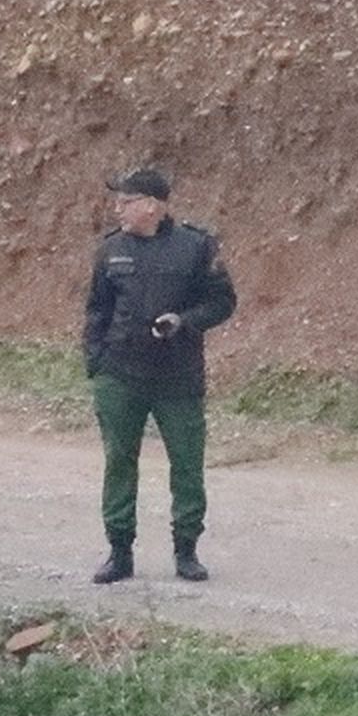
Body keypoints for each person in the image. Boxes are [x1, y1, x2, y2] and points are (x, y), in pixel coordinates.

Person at [82, 168, 236, 584]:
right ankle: (119, 553)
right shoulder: (110, 250)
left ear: (152, 205)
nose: (118, 209)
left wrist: (184, 321)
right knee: (119, 462)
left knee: (187, 464)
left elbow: (223, 302)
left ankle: (186, 551)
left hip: (178, 377)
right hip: (120, 375)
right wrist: (95, 363)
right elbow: (97, 310)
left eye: (126, 201)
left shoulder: (196, 247)